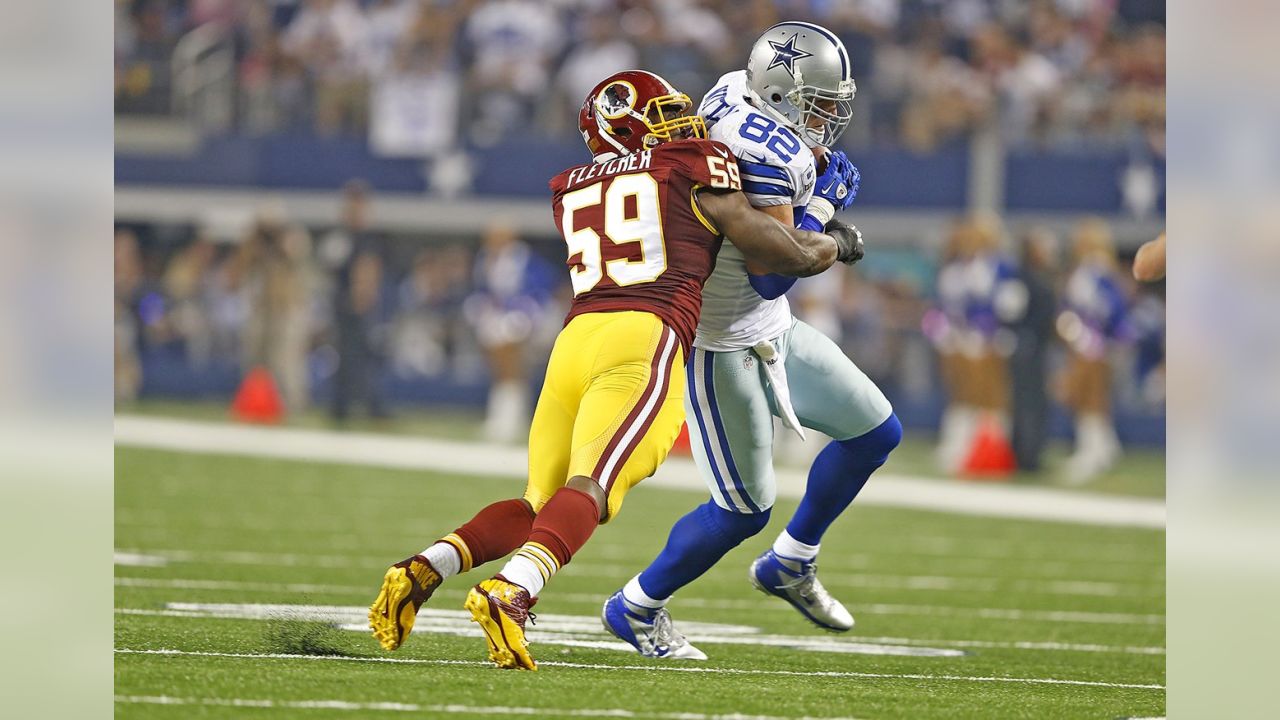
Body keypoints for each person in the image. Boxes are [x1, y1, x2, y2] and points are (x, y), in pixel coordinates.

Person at [368, 69, 863, 670]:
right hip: (643, 336)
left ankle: (424, 568)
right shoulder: (694, 163)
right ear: (631, 129)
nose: (683, 125)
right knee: (590, 492)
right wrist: (832, 233)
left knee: (538, 502)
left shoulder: (568, 185)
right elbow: (780, 256)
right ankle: (513, 591)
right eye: (663, 118)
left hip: (574, 340)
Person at [601, 22, 899, 660]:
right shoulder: (773, 154)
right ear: (785, 93)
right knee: (742, 509)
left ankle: (792, 561)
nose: (828, 117)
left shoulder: (732, 89)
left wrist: (809, 184)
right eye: (818, 103)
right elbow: (771, 274)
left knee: (876, 432)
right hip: (719, 338)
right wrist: (823, 212)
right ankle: (636, 606)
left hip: (770, 328)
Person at [1058, 218, 1128, 483]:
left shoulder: (1100, 271)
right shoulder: (1083, 270)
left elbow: (1112, 309)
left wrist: (1094, 333)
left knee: (1092, 396)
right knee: (1084, 396)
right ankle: (1102, 447)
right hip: (1080, 340)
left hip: (1097, 343)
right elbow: (1069, 304)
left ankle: (1093, 450)